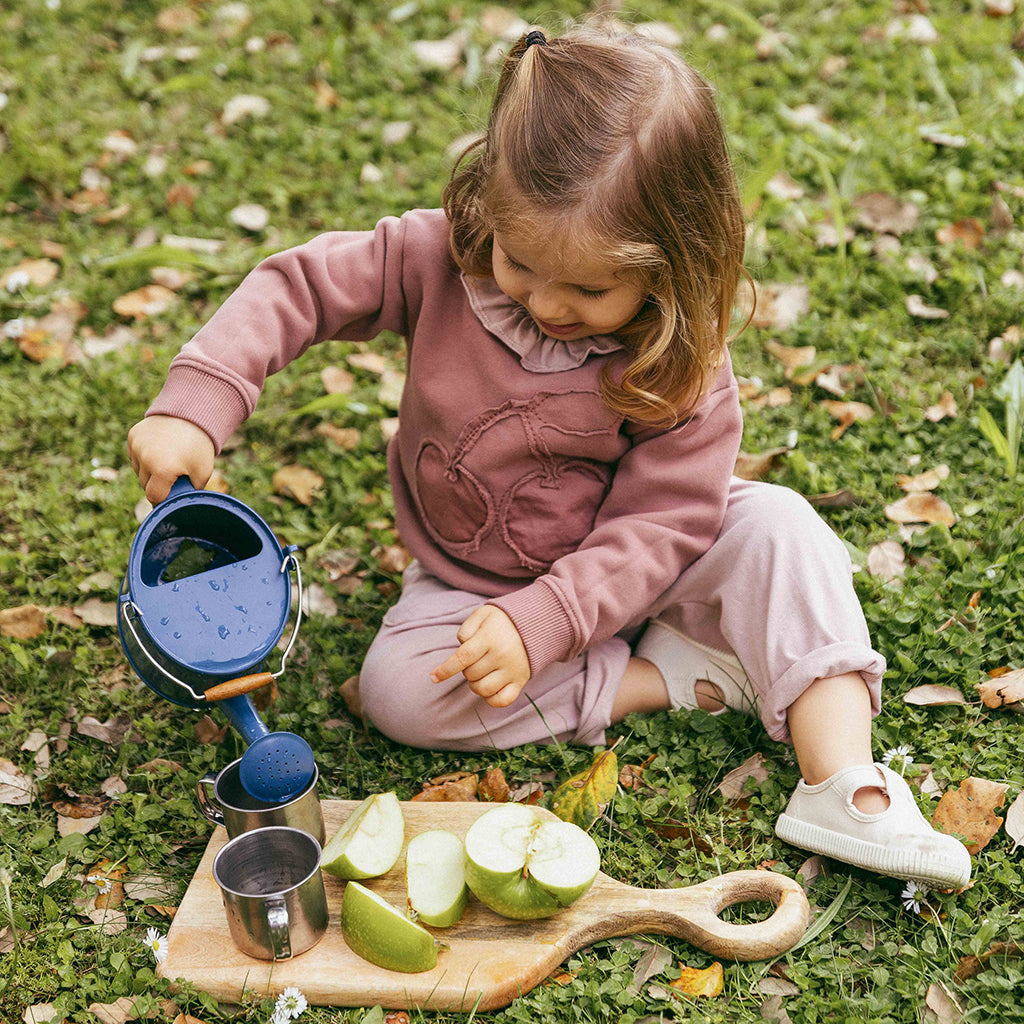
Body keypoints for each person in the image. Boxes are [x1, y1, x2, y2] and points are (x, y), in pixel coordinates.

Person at [126, 26, 970, 889]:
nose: (548, 303)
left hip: (650, 569)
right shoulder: (433, 261)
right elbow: (298, 289)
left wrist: (553, 620)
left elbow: (664, 522)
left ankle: (844, 782)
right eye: (521, 261)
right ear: (489, 205)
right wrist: (197, 404)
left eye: (592, 288)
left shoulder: (680, 357)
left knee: (781, 526)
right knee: (399, 692)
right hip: (476, 583)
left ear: (673, 261)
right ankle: (669, 677)